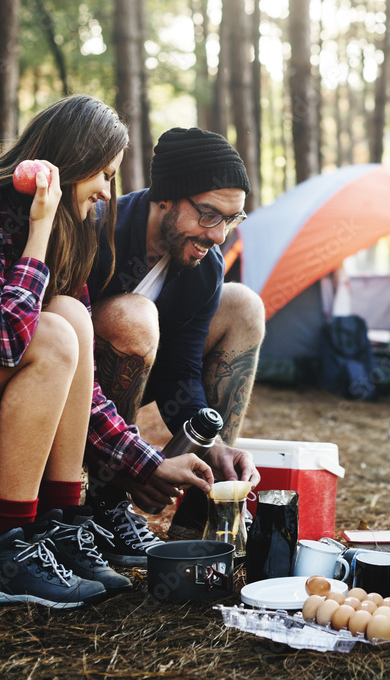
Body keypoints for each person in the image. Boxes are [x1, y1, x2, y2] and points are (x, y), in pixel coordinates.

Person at [0, 95, 213, 608]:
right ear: (73, 162)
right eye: (104, 175)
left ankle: (60, 527)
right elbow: (3, 343)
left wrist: (145, 462)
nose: (108, 193)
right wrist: (38, 231)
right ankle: (4, 554)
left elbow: (80, 382)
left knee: (70, 315)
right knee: (49, 332)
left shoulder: (66, 230)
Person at [85, 127, 264, 560]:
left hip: (134, 380)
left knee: (244, 305)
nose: (219, 235)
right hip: (68, 390)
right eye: (209, 215)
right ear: (164, 198)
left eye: (232, 219)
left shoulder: (204, 266)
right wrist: (135, 463)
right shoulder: (97, 231)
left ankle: (204, 512)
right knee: (135, 317)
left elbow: (182, 372)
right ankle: (103, 504)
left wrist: (213, 444)